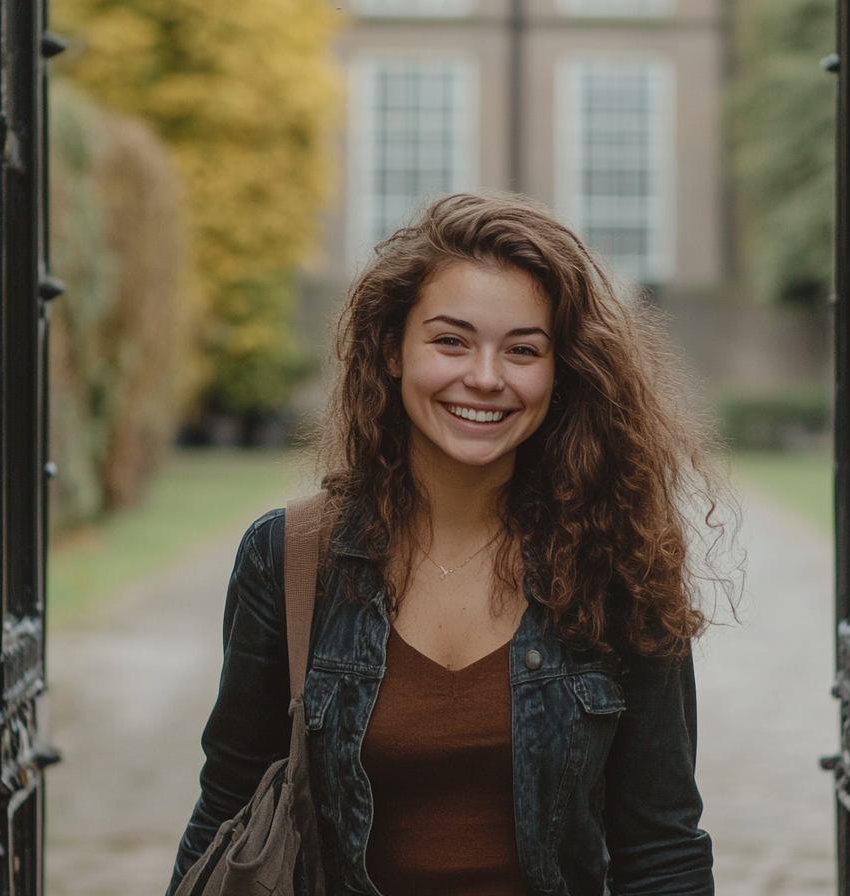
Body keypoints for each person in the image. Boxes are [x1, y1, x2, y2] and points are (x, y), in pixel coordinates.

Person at [168, 193, 727, 896]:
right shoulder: (290, 558)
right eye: (451, 340)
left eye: (523, 350)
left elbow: (663, 850)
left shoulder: (617, 564)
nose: (486, 377)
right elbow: (228, 808)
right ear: (392, 351)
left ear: (561, 374)